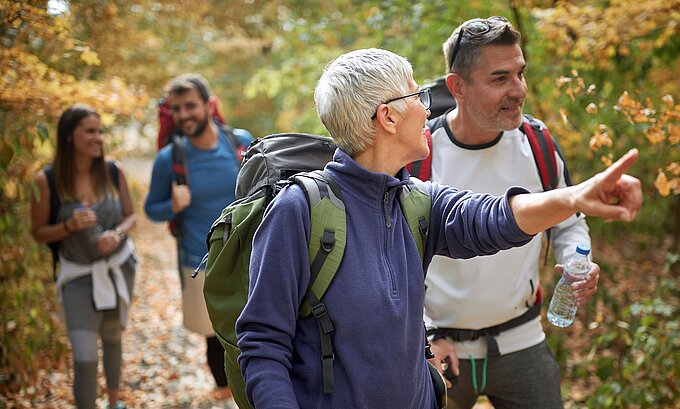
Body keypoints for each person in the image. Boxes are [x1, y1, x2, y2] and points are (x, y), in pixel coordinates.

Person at [235, 48, 642, 409]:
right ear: (388, 116)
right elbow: (263, 344)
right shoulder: (298, 211)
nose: (428, 109)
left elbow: (494, 218)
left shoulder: (414, 200)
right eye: (417, 97)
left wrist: (572, 197)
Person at [420, 16, 600, 409]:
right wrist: (423, 335)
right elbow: (389, 257)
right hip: (440, 349)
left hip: (523, 341)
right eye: (500, 78)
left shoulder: (536, 142)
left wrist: (576, 260)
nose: (518, 90)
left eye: (520, 73)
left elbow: (568, 221)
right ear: (458, 87)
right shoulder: (420, 153)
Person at [144, 74, 252, 401]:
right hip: (200, 261)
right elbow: (151, 209)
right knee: (215, 336)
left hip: (250, 254)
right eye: (176, 109)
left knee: (257, 329)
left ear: (208, 105)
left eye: (190, 105)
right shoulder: (169, 159)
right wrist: (171, 205)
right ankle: (225, 394)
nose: (183, 114)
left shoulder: (239, 142)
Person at [31, 104, 137, 409]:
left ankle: (115, 402)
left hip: (118, 269)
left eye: (100, 131)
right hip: (76, 277)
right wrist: (68, 226)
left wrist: (116, 234)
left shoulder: (114, 172)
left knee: (114, 338)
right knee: (85, 356)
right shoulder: (46, 181)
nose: (98, 137)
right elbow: (38, 232)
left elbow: (131, 217)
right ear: (68, 136)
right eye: (90, 131)